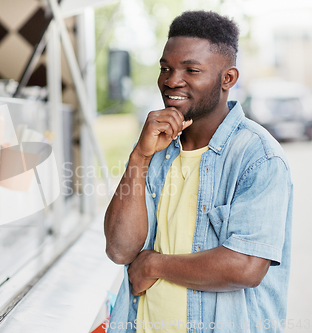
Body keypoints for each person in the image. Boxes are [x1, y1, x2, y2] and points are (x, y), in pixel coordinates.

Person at [104, 10, 292, 333]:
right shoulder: (155, 152)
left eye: (191, 70)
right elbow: (120, 249)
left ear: (227, 79)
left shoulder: (259, 158)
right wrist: (139, 156)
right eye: (165, 68)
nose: (171, 80)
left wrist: (154, 264)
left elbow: (246, 266)